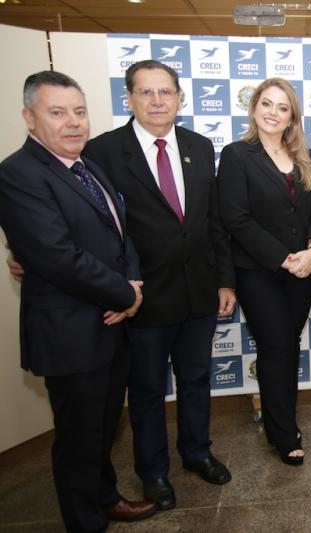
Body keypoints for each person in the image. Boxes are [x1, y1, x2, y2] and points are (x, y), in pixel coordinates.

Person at [0, 71, 156, 532]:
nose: (73, 122)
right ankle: (85, 522)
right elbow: (57, 256)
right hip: (69, 333)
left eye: (80, 111)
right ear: (30, 118)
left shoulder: (86, 165)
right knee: (78, 438)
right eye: (57, 112)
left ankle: (105, 498)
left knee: (102, 428)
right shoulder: (18, 173)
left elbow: (121, 234)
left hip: (110, 325)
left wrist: (133, 284)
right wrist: (126, 294)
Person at [80, 60, 236, 509]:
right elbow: (94, 226)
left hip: (200, 290)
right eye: (145, 92)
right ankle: (152, 471)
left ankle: (197, 452)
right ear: (129, 97)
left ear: (179, 98)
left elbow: (213, 221)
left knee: (196, 379)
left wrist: (225, 282)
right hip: (142, 296)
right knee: (147, 390)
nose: (156, 101)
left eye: (165, 91)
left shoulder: (199, 146)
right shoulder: (103, 151)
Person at [217, 78, 311, 466]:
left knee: (287, 345)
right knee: (277, 346)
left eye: (283, 107)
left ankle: (281, 420)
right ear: (253, 109)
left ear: (292, 116)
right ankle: (283, 432)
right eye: (266, 103)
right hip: (258, 271)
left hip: (303, 270)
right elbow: (235, 218)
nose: (273, 113)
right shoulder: (236, 154)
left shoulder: (305, 156)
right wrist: (284, 258)